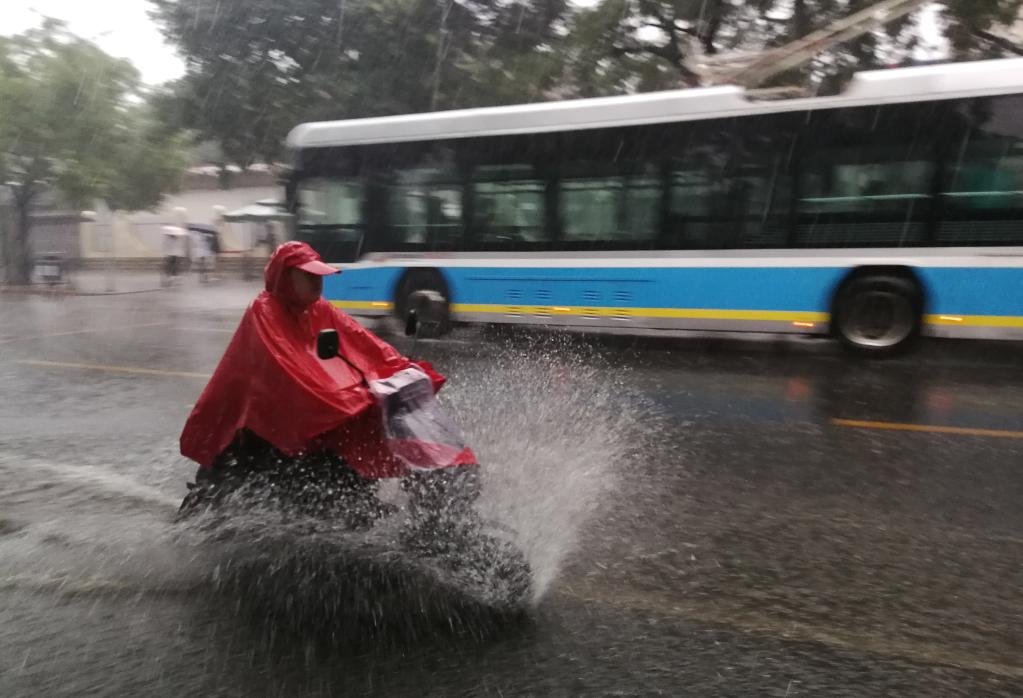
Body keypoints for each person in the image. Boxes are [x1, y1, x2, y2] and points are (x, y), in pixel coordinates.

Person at [178, 241, 472, 525]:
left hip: (303, 414)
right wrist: (347, 397)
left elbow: (361, 342)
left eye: (319, 275)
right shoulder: (265, 310)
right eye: (308, 276)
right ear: (285, 277)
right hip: (260, 422)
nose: (317, 282)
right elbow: (289, 368)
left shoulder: (318, 307)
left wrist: (401, 368)